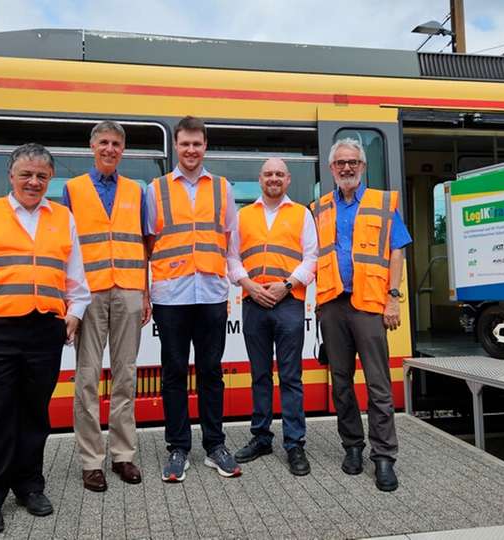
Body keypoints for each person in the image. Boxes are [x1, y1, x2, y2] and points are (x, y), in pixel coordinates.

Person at [0, 143, 91, 534]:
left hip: (44, 329)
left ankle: (30, 486)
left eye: (42, 176)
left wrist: (73, 314)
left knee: (33, 414)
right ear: (11, 176)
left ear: (49, 179)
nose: (34, 181)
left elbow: (77, 279)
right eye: (26, 174)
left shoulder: (63, 218)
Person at [311, 138, 411, 492]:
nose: (347, 168)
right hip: (333, 305)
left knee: (378, 385)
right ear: (331, 168)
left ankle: (383, 457)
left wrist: (394, 297)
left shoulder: (383, 203)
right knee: (341, 382)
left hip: (369, 304)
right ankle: (352, 446)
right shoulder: (319, 207)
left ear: (363, 166)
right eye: (340, 163)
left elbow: (397, 249)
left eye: (353, 162)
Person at [144, 116, 241, 481]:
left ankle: (215, 445)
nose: (190, 150)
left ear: (205, 146)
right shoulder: (155, 190)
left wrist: (234, 281)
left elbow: (230, 240)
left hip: (212, 293)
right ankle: (177, 448)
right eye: (184, 144)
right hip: (171, 295)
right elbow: (149, 244)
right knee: (173, 373)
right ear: (176, 146)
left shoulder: (222, 188)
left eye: (196, 144)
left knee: (212, 372)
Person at [63, 121, 151, 492]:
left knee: (126, 375)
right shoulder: (72, 190)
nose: (110, 149)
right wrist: (70, 298)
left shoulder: (137, 190)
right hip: (90, 292)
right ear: (92, 146)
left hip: (129, 290)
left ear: (123, 150)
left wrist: (146, 292)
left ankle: (123, 455)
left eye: (116, 143)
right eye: (104, 142)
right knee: (86, 377)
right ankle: (89, 461)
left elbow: (145, 244)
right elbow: (64, 246)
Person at [228, 158, 317, 476]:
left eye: (279, 174)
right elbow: (232, 258)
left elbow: (312, 257)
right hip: (253, 303)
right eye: (269, 174)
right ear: (260, 179)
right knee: (260, 375)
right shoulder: (243, 216)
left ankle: (294, 444)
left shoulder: (302, 214)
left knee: (291, 378)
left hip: (289, 303)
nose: (274, 178)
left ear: (288, 180)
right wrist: (250, 286)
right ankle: (261, 438)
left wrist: (287, 285)